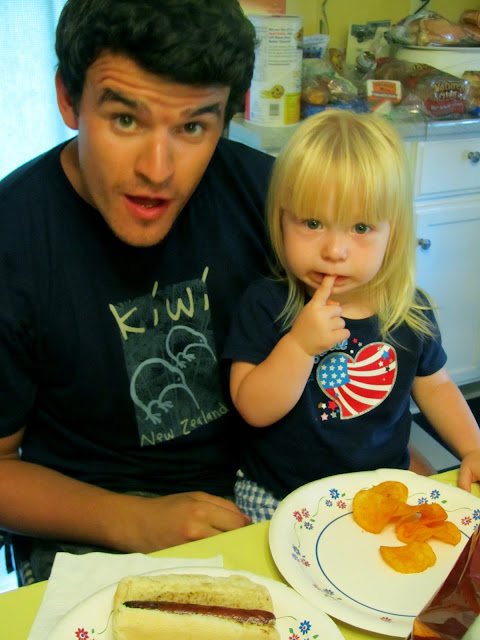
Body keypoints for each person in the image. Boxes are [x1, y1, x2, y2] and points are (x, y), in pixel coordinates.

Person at [0, 0, 276, 584]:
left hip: (260, 493)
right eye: (126, 119)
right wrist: (137, 522)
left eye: (193, 127)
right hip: (84, 523)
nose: (158, 170)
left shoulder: (272, 198)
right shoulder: (12, 238)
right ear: (69, 99)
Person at [223, 109, 480, 522]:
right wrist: (299, 347)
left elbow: (437, 387)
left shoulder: (409, 311)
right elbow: (252, 408)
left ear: (393, 232)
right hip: (278, 495)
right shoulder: (268, 303)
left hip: (378, 493)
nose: (334, 251)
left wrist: (473, 448)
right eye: (312, 223)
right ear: (281, 219)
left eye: (360, 228)